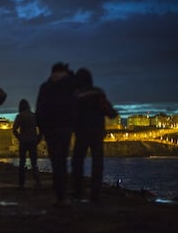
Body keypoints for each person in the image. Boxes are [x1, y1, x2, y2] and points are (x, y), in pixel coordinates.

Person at [71, 68, 118, 202]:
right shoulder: (97, 93)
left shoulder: (76, 95)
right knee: (97, 163)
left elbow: (72, 113)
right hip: (97, 132)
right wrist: (112, 113)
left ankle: (78, 190)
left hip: (81, 132)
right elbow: (109, 111)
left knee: (77, 161)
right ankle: (95, 193)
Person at [36, 62, 76, 207]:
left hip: (50, 130)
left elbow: (39, 110)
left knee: (55, 161)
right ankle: (62, 196)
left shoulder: (45, 87)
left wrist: (42, 129)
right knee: (62, 161)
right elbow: (75, 106)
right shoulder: (70, 85)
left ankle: (59, 193)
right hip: (65, 128)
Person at [12, 99, 42, 189]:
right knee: (34, 162)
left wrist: (19, 137)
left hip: (23, 141)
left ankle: (21, 183)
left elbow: (14, 129)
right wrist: (38, 139)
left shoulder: (20, 116)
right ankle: (37, 181)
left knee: (22, 162)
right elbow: (41, 129)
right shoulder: (34, 116)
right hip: (33, 141)